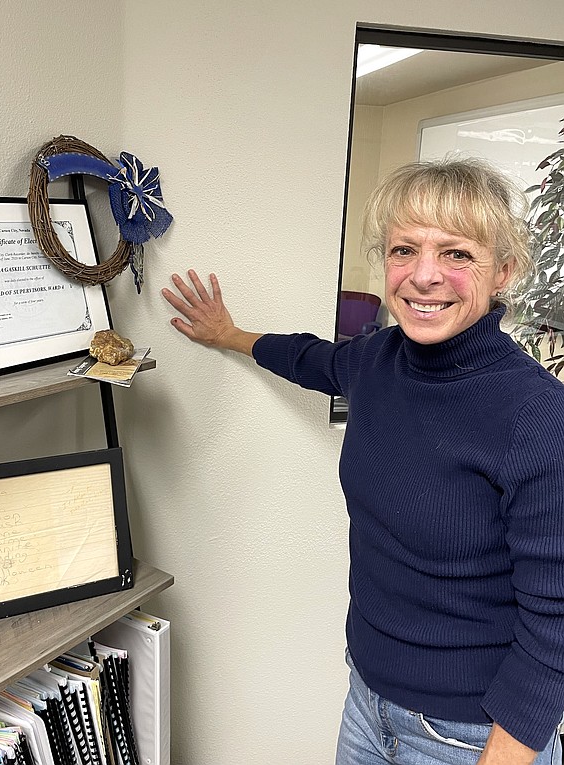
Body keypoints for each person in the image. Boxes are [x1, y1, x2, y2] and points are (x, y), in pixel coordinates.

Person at [162, 158, 564, 765]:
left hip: (471, 734)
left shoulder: (538, 416)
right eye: (405, 249)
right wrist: (231, 335)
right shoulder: (378, 360)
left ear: (503, 271)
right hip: (367, 699)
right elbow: (313, 360)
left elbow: (554, 625)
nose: (423, 276)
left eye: (456, 254)